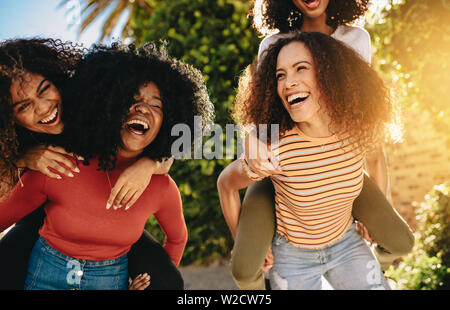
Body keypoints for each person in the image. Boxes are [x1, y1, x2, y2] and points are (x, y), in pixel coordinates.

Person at [225, 0, 414, 289]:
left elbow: (365, 112)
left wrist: (373, 213)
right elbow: (260, 113)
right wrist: (251, 140)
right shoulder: (274, 44)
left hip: (343, 157)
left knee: (398, 239)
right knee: (245, 263)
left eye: (302, 68)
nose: (290, 82)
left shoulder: (355, 39)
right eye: (283, 75)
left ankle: (375, 271)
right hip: (281, 167)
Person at [0, 40, 212, 289]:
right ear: (7, 116)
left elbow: (164, 145)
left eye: (45, 90)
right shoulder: (12, 143)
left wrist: (148, 164)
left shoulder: (88, 98)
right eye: (23, 106)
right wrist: (20, 159)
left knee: (166, 280)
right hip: (41, 216)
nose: (44, 107)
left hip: (111, 226)